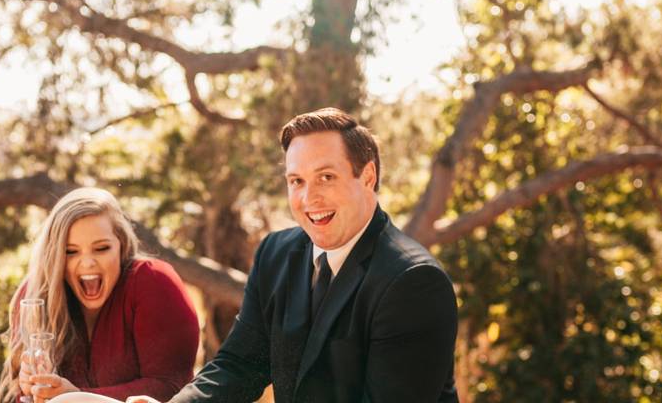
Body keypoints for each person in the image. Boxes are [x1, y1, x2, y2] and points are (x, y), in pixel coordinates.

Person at [55, 107, 459, 403]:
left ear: (367, 176)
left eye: (326, 177)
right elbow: (239, 364)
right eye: (296, 181)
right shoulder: (276, 254)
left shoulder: (412, 283)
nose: (308, 197)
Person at [0, 187, 200, 403]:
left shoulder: (154, 281)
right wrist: (30, 391)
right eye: (70, 252)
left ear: (121, 244)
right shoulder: (36, 296)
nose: (87, 263)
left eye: (101, 248)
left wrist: (75, 398)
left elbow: (170, 387)